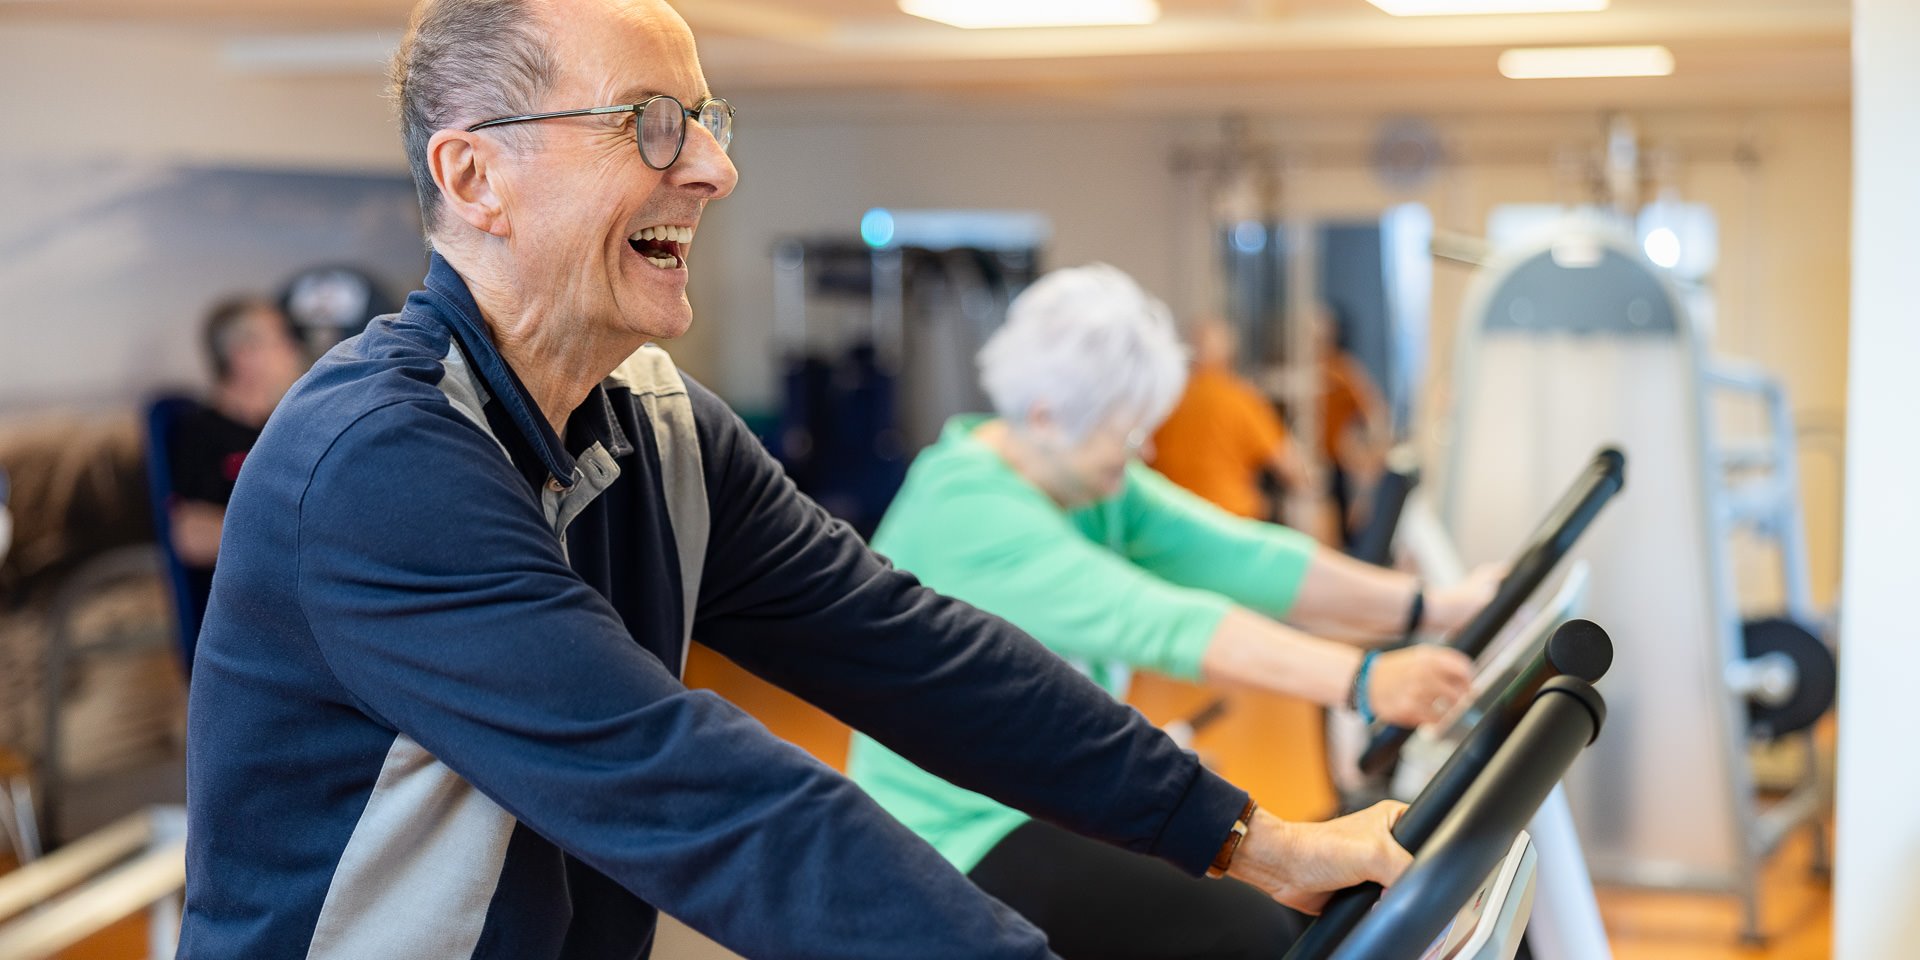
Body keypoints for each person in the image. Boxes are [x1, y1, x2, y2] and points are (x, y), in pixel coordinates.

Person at [176, 2, 1419, 958]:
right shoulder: (376, 465)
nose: (711, 169)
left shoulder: (656, 423)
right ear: (476, 178)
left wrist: (1253, 839)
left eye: (708, 122)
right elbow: (689, 785)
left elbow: (911, 653)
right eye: (650, 122)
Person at [845, 265, 1491, 959]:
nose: (1143, 452)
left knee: (1299, 909)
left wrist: (1433, 607)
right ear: (1042, 416)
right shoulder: (972, 513)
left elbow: (1241, 555)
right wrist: (1365, 679)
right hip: (954, 832)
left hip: (1042, 790)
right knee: (1246, 932)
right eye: (1126, 436)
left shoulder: (1072, 472)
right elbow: (1164, 620)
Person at [163, 297, 308, 628]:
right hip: (255, 614)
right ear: (244, 356)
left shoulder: (281, 427)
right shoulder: (200, 433)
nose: (293, 349)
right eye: (281, 338)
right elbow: (189, 535)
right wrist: (295, 539)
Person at [1150, 314, 1313, 525]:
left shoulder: (1165, 399)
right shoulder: (1241, 398)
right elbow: (1293, 471)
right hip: (1230, 521)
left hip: (1170, 520)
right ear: (1231, 356)